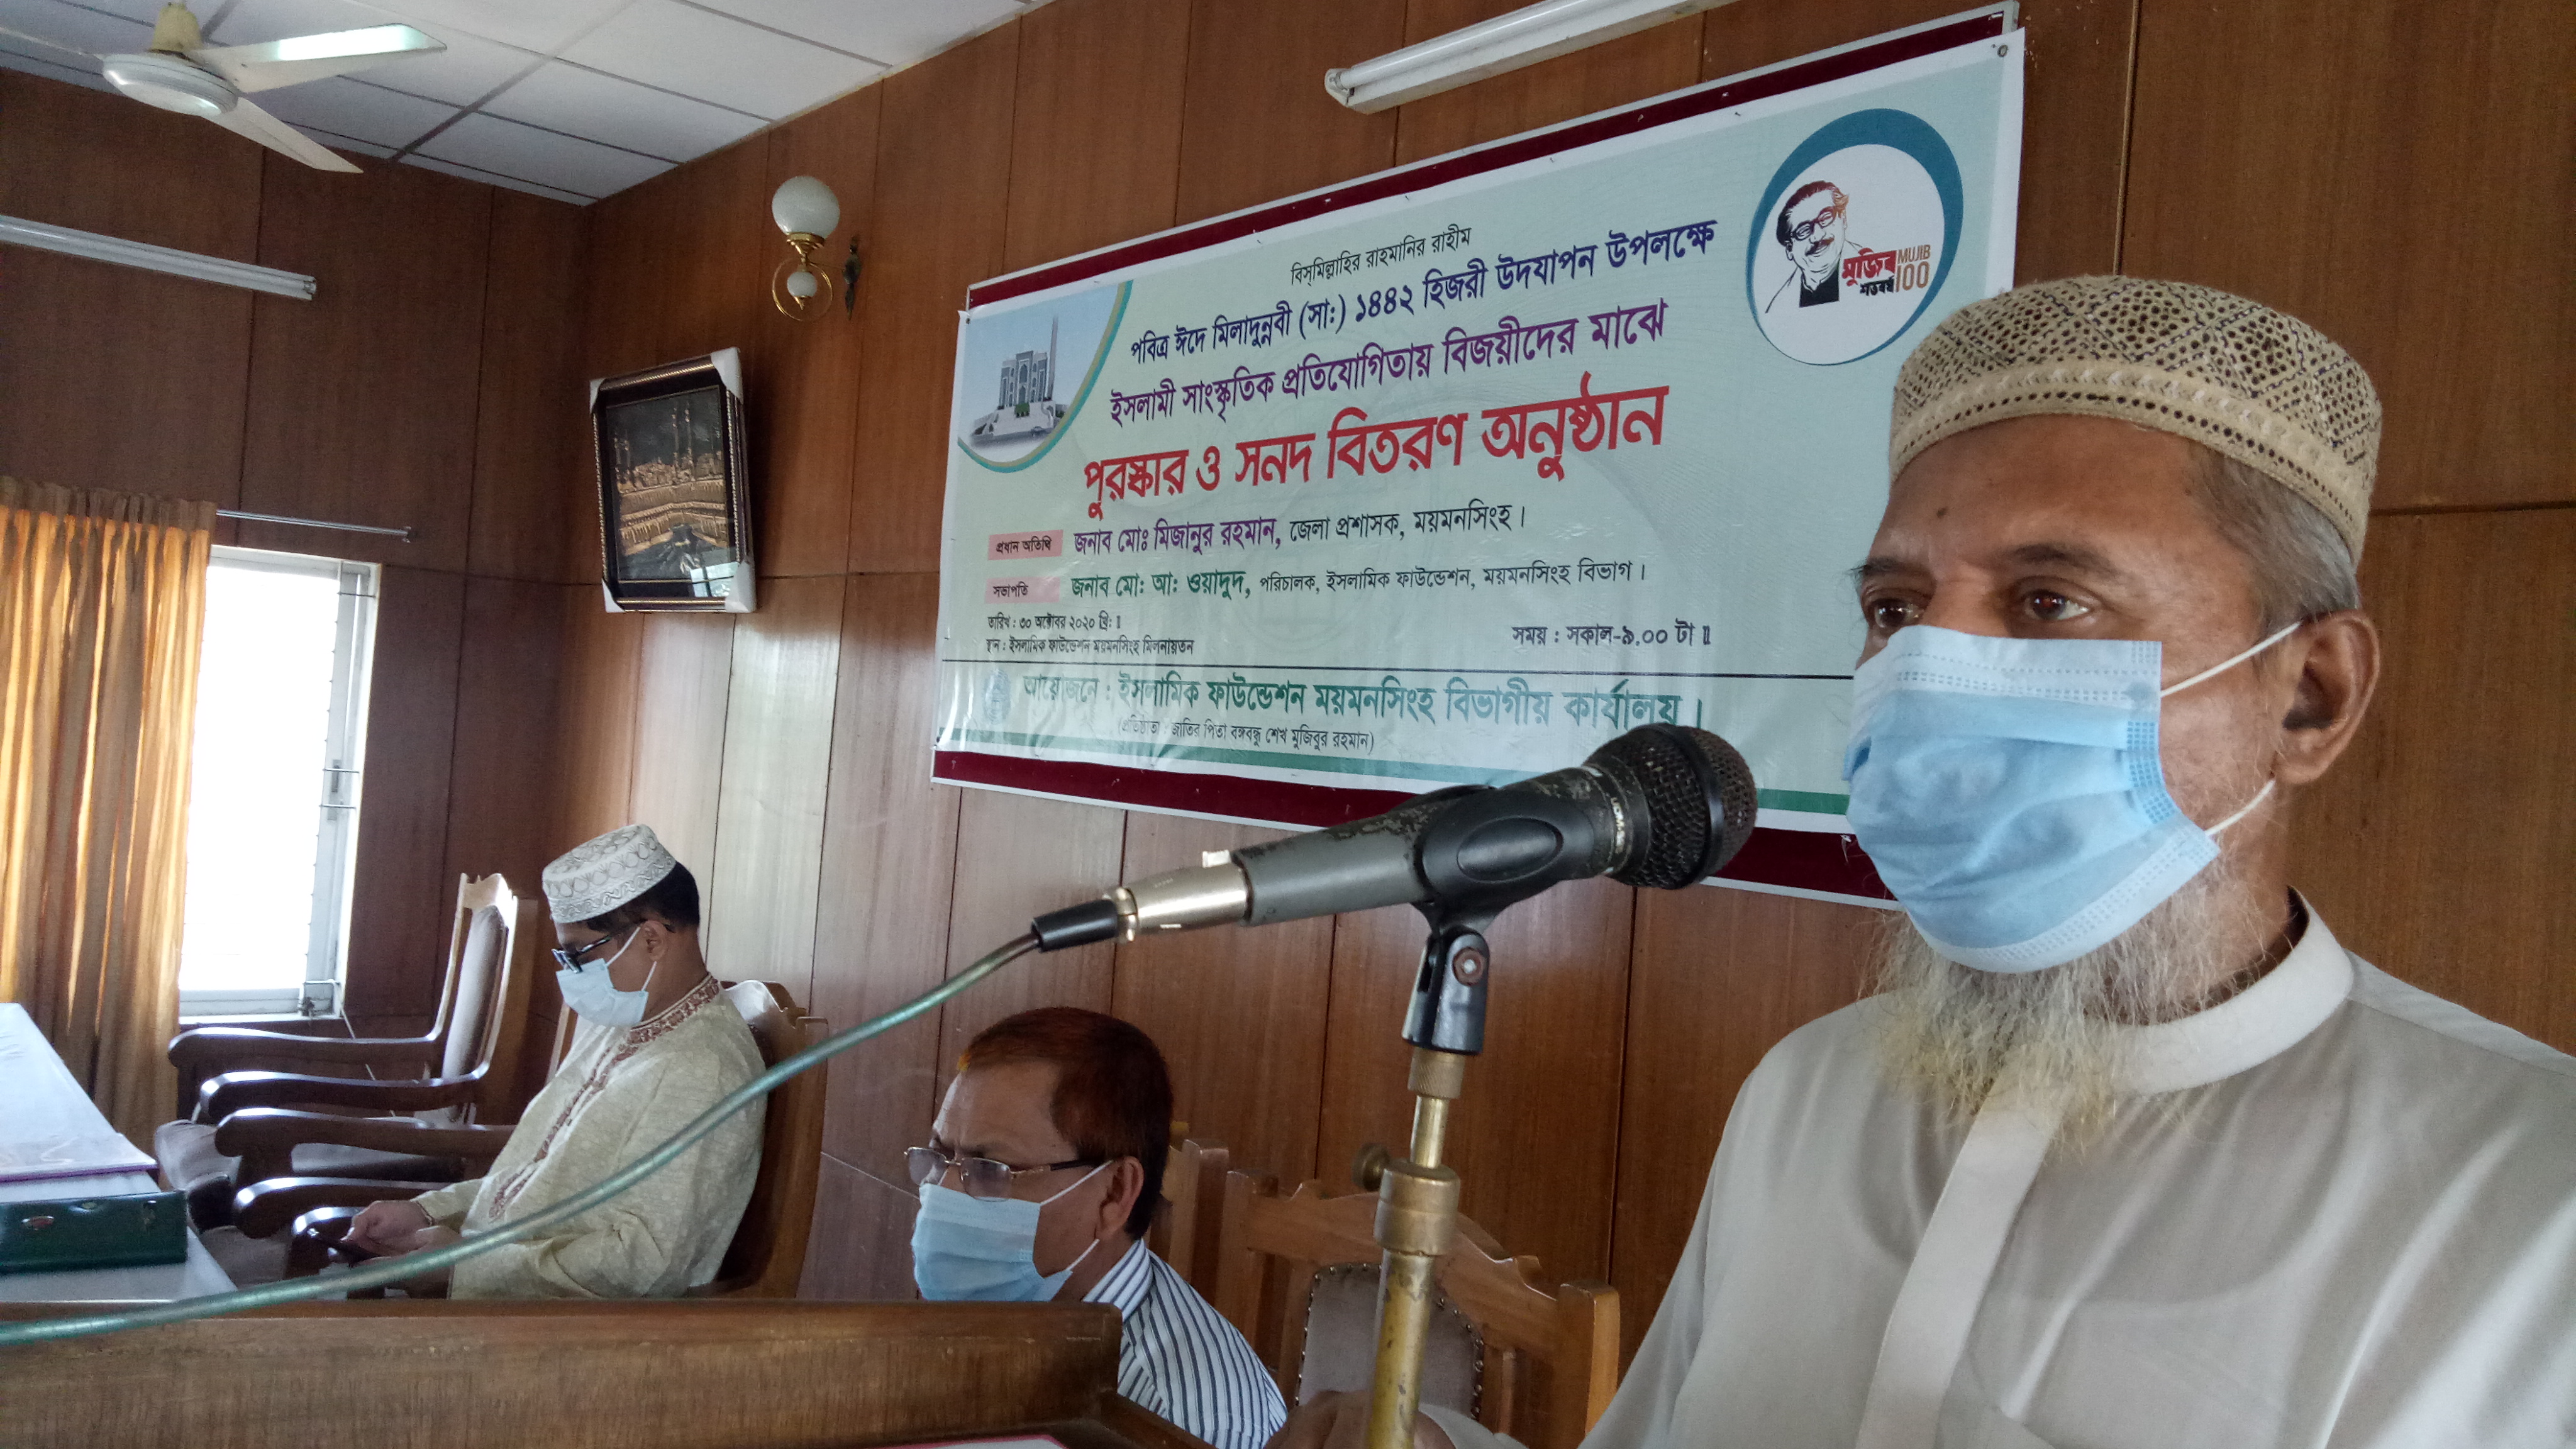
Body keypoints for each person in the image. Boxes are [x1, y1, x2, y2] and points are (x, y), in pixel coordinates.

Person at [1272, 276, 2576, 1449]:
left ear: (2309, 695)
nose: (1928, 670)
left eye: (2048, 601)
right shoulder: (1808, 1092)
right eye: (1893, 608)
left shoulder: (2529, 1201)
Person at [341, 824, 765, 1297]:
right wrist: (429, 1212)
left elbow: (646, 1266)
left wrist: (464, 1267)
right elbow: (534, 1174)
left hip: (565, 1328)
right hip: (501, 1284)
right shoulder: (621, 1021)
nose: (571, 975)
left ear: (651, 940)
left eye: (578, 955)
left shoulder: (705, 1068)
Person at [910, 1007, 1286, 1449]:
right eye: (940, 1157)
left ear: (1114, 1194)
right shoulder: (1003, 1318)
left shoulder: (1183, 1422)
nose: (944, 1192)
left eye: (990, 1169)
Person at [1765, 180, 1858, 311]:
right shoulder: (1777, 308)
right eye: (1803, 230)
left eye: (1825, 218)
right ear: (1790, 249)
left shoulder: (1880, 273)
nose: (1818, 236)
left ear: (1843, 219)